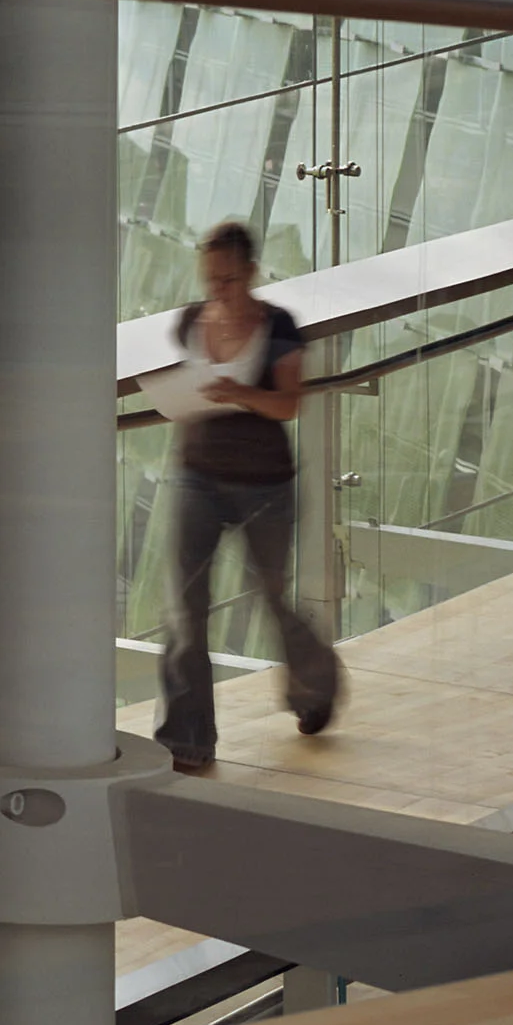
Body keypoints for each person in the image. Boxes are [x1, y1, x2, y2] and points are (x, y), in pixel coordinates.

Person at [155, 220, 342, 777]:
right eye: (212, 280)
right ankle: (186, 740)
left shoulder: (279, 325)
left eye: (231, 280)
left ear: (252, 272)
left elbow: (289, 405)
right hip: (196, 476)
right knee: (185, 610)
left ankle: (316, 690)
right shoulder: (188, 321)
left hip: (264, 483)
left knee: (272, 596)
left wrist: (239, 392)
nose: (220, 291)